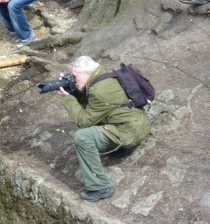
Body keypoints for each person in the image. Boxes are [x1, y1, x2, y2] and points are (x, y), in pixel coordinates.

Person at [57, 56, 151, 202]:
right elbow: (93, 104)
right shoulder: (104, 74)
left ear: (87, 73)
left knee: (82, 137)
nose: (74, 80)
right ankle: (122, 149)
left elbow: (84, 121)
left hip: (130, 131)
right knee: (98, 117)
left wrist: (67, 98)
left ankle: (100, 187)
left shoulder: (99, 91)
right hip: (137, 122)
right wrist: (74, 90)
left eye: (75, 77)